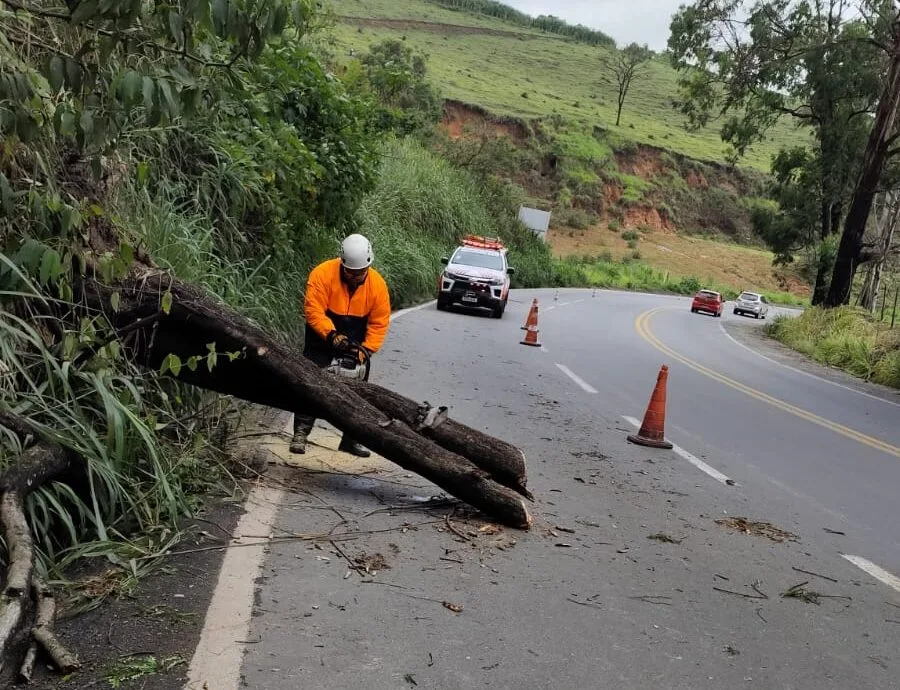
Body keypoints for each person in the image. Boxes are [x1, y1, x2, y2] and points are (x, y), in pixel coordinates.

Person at [290, 233, 391, 457]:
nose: (355, 277)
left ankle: (351, 439)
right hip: (321, 338)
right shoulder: (322, 274)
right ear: (342, 264)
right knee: (310, 386)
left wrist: (366, 351)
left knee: (357, 395)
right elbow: (313, 310)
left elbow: (379, 323)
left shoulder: (377, 286)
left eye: (360, 274)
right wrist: (331, 335)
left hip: (356, 340)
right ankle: (300, 433)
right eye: (351, 273)